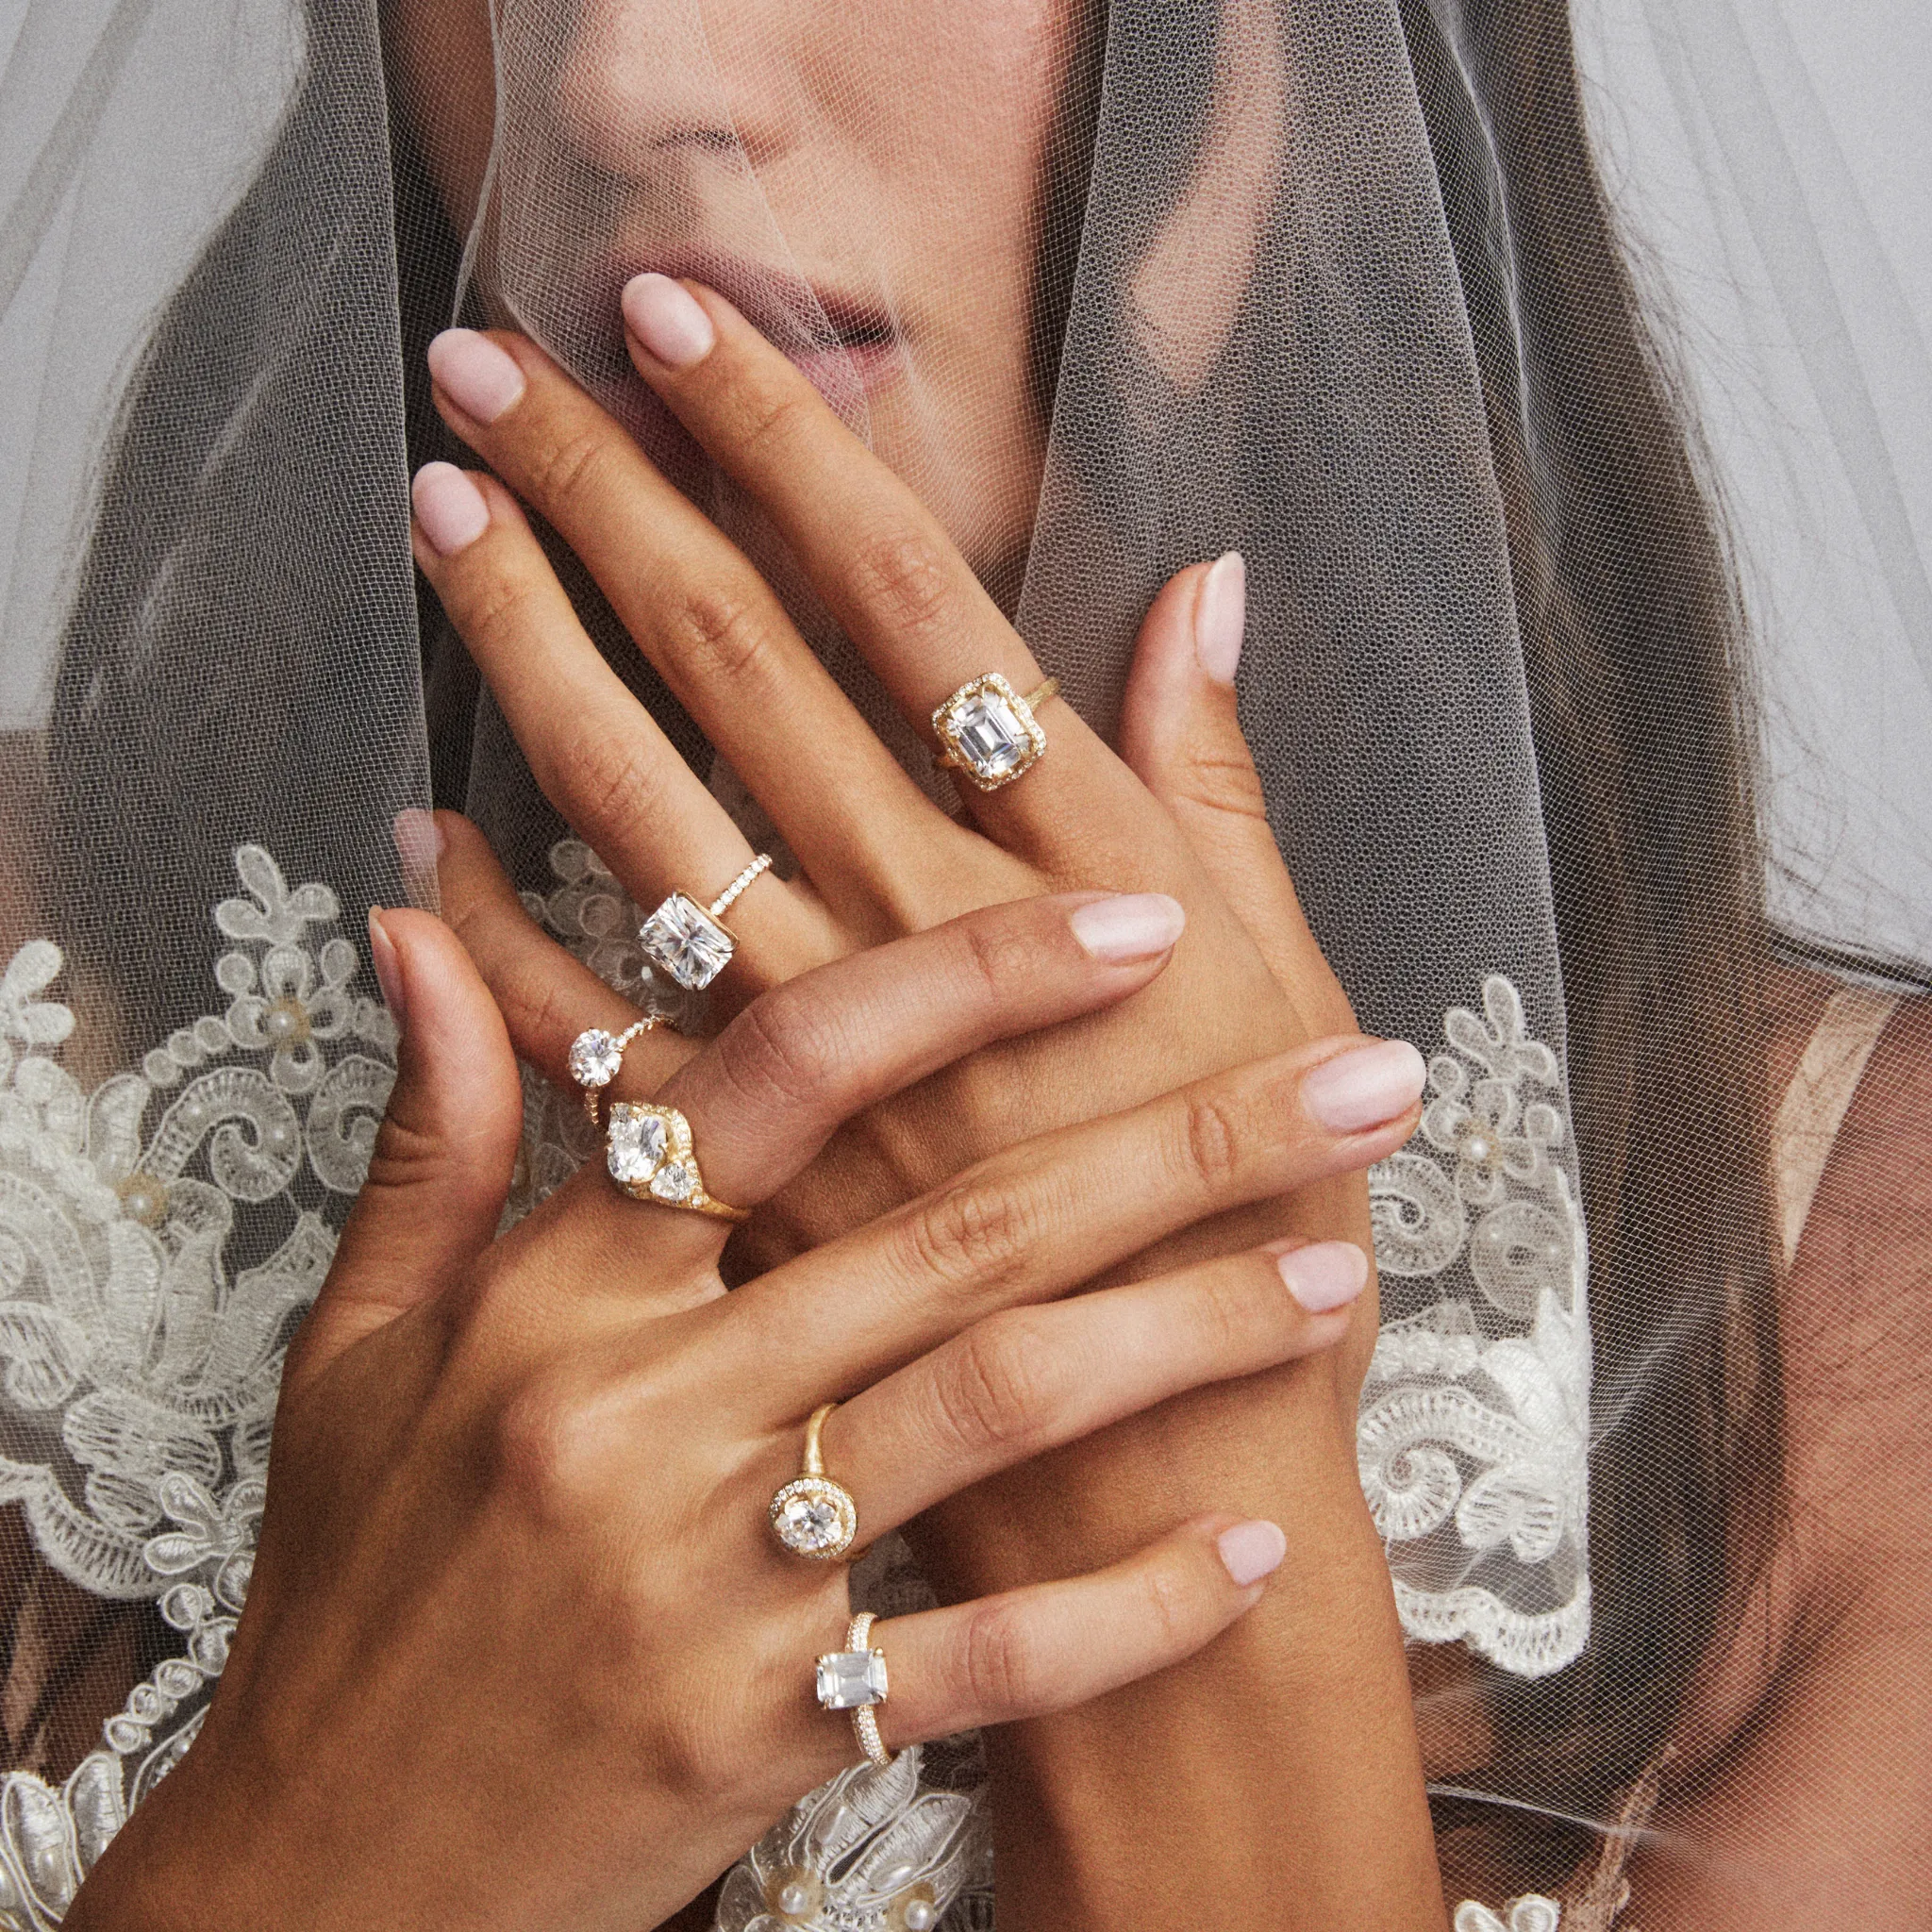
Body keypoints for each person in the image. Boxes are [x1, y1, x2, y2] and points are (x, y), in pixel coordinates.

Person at [1, 0, 1925, 1925]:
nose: (613, 81)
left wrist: (1196, 1608)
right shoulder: (51, 1054)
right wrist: (332, 1855)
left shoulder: (1874, 1355)